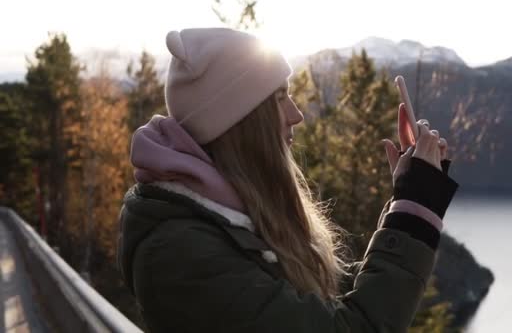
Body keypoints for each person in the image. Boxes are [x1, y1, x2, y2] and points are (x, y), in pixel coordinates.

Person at [117, 28, 459, 333]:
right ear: (242, 122)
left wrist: (409, 201)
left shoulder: (228, 215)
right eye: (280, 98)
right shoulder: (181, 254)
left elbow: (329, 297)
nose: (296, 114)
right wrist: (413, 209)